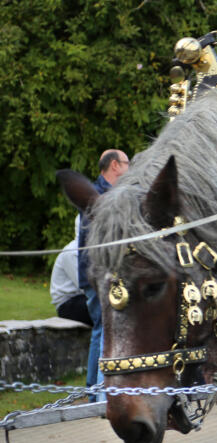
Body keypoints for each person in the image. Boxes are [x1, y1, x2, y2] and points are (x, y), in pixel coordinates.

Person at [80, 149, 130, 401]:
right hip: (98, 275)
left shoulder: (104, 193)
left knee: (100, 331)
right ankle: (100, 397)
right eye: (126, 163)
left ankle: (94, 394)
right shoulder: (99, 196)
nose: (129, 168)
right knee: (104, 332)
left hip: (96, 275)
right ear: (114, 165)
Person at [50, 217, 92, 326]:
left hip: (83, 298)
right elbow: (85, 285)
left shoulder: (92, 250)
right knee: (102, 309)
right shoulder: (72, 252)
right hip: (68, 304)